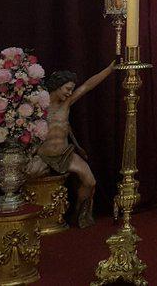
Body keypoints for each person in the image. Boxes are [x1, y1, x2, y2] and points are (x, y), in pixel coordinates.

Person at [27, 62, 115, 227]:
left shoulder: (66, 104)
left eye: (71, 89)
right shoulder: (38, 106)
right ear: (56, 86)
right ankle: (36, 218)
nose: (69, 93)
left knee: (90, 181)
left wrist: (110, 69)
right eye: (67, 89)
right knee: (29, 174)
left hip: (64, 154)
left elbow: (87, 86)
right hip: (43, 155)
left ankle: (79, 213)